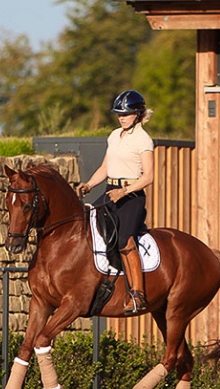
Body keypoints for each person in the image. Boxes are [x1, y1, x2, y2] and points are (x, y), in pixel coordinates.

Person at [77, 90, 154, 314]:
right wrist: (89, 185)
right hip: (110, 190)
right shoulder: (114, 135)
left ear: (138, 115)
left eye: (126, 114)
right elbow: (105, 168)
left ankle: (138, 294)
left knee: (123, 239)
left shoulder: (143, 140)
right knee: (87, 222)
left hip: (131, 196)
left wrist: (125, 191)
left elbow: (148, 177)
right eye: (119, 113)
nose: (122, 117)